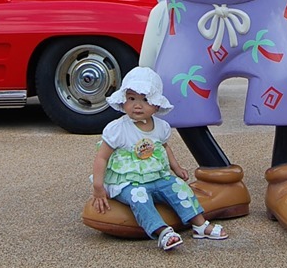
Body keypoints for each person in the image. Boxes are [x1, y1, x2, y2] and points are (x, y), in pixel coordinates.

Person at [90, 66, 228, 250]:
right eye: (131, 99)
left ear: (156, 104)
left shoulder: (161, 127)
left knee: (179, 187)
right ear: (123, 101)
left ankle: (199, 224)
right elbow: (102, 158)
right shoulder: (118, 129)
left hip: (157, 176)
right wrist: (99, 187)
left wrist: (176, 168)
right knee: (138, 196)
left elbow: (164, 148)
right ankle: (162, 231)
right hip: (128, 181)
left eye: (145, 100)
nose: (137, 105)